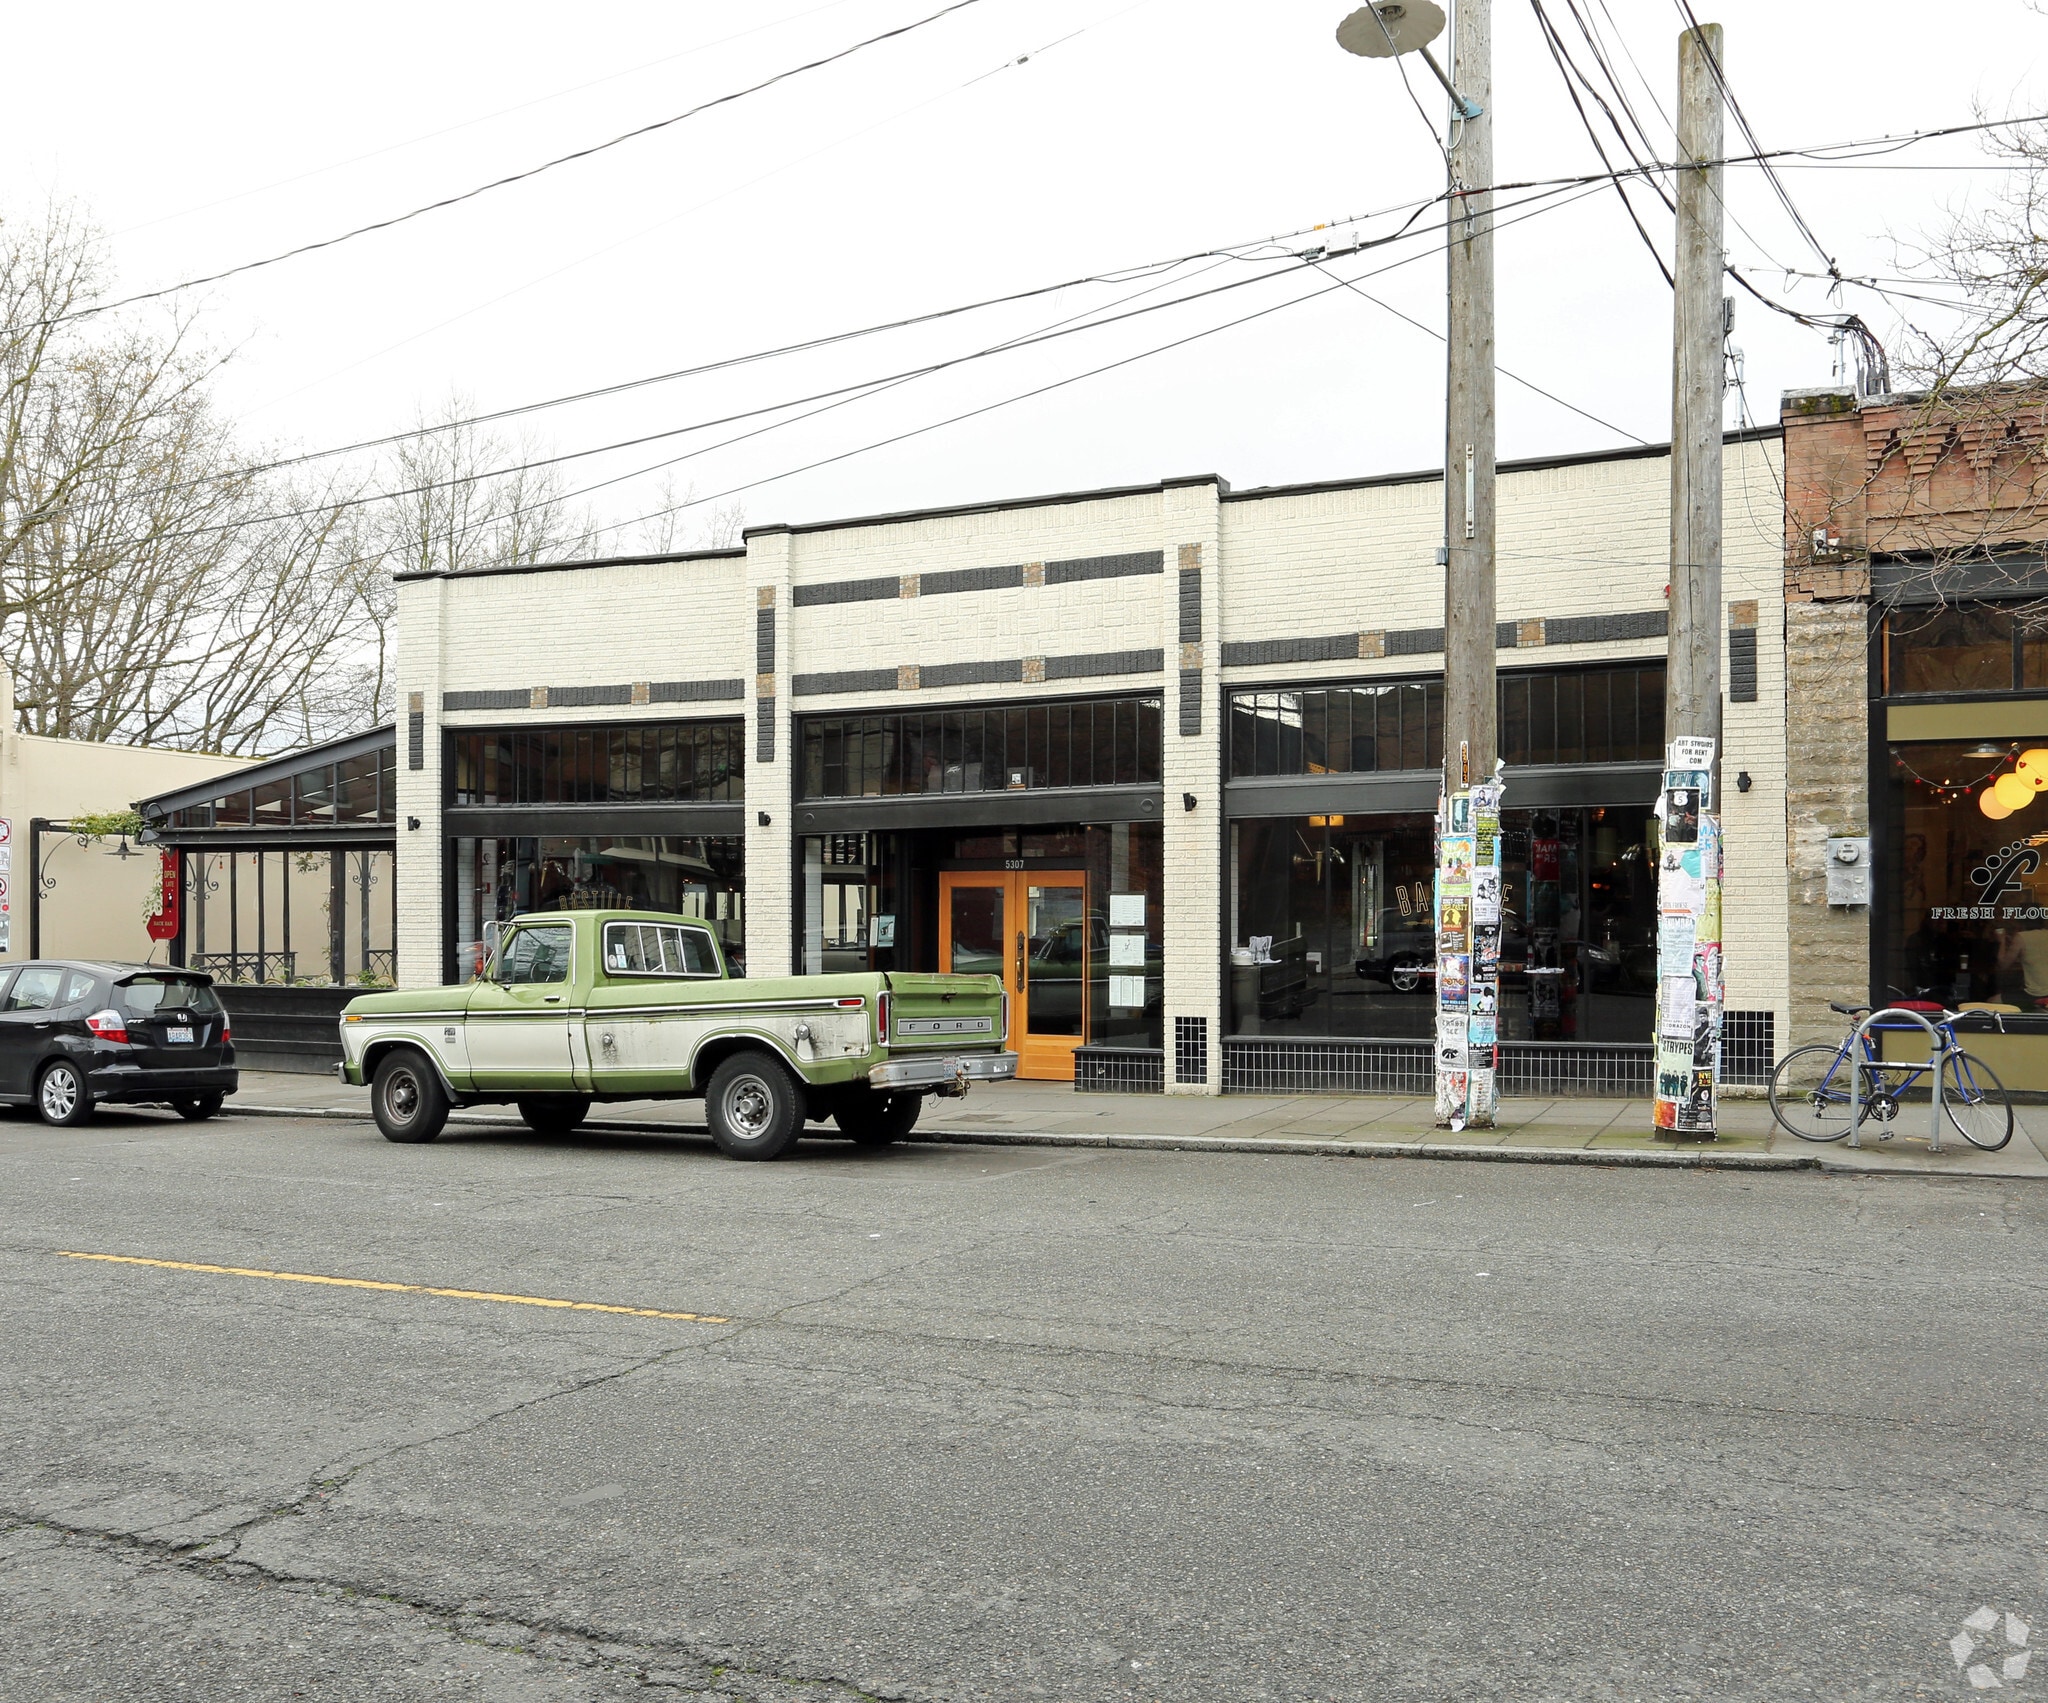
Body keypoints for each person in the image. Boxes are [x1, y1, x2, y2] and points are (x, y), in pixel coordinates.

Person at [1996, 921, 2048, 1008]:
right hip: (2040, 992)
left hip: (2036, 993)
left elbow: (2003, 964)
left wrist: (2002, 941)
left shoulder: (2021, 937)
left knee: (1992, 1001)